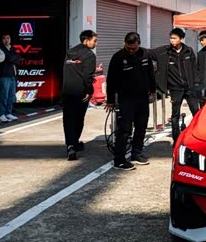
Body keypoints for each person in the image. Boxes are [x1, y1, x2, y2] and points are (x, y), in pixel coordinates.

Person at [105, 32, 156, 170]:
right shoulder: (118, 57)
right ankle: (119, 160)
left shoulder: (145, 54)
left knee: (141, 126)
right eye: (128, 48)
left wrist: (153, 90)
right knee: (125, 129)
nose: (131, 50)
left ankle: (136, 153)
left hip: (142, 98)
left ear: (139, 44)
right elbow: (111, 80)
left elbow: (151, 73)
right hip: (126, 98)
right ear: (125, 44)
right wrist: (110, 100)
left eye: (134, 48)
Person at [62, 30, 98, 161]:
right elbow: (88, 76)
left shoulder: (69, 53)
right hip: (80, 92)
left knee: (68, 119)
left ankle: (71, 145)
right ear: (86, 40)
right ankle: (74, 143)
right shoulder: (89, 55)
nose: (96, 43)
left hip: (67, 91)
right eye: (94, 41)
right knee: (78, 118)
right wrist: (89, 91)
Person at [163, 27, 199, 143]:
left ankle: (197, 135)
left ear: (181, 39)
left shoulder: (189, 51)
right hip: (175, 88)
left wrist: (195, 84)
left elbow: (195, 69)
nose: (172, 40)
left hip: (189, 88)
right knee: (175, 115)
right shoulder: (167, 52)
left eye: (174, 38)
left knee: (196, 112)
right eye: (171, 38)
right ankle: (176, 139)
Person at [0, 33, 19, 122]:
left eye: (8, 38)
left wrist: (12, 58)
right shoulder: (0, 48)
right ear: (1, 40)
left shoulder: (12, 48)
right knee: (3, 96)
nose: (6, 40)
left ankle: (8, 113)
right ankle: (1, 114)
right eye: (4, 38)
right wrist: (13, 58)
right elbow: (8, 58)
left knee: (11, 96)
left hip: (13, 75)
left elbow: (18, 58)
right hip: (4, 75)